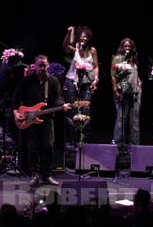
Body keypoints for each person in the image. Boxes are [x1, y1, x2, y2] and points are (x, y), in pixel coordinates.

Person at [12, 55, 70, 186]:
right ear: (35, 66)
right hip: (29, 119)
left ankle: (47, 175)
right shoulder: (27, 80)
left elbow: (58, 99)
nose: (42, 68)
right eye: (40, 65)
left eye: (45, 65)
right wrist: (16, 113)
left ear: (48, 66)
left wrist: (63, 106)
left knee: (48, 147)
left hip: (47, 119)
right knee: (33, 147)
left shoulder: (53, 81)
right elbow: (15, 100)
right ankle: (35, 174)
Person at [62, 26, 99, 144]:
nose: (84, 38)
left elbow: (95, 66)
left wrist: (95, 80)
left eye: (86, 36)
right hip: (72, 81)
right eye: (82, 36)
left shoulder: (92, 50)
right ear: (78, 37)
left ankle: (84, 140)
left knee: (85, 110)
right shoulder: (75, 49)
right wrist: (68, 33)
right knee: (72, 110)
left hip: (86, 83)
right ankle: (72, 140)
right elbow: (65, 47)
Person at [111, 38, 142, 148]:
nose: (127, 48)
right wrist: (115, 90)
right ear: (122, 47)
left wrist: (139, 81)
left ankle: (135, 145)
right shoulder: (117, 59)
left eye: (129, 46)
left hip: (135, 92)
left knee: (135, 119)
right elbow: (113, 76)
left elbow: (135, 74)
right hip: (122, 91)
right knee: (121, 118)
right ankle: (118, 143)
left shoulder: (133, 59)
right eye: (125, 46)